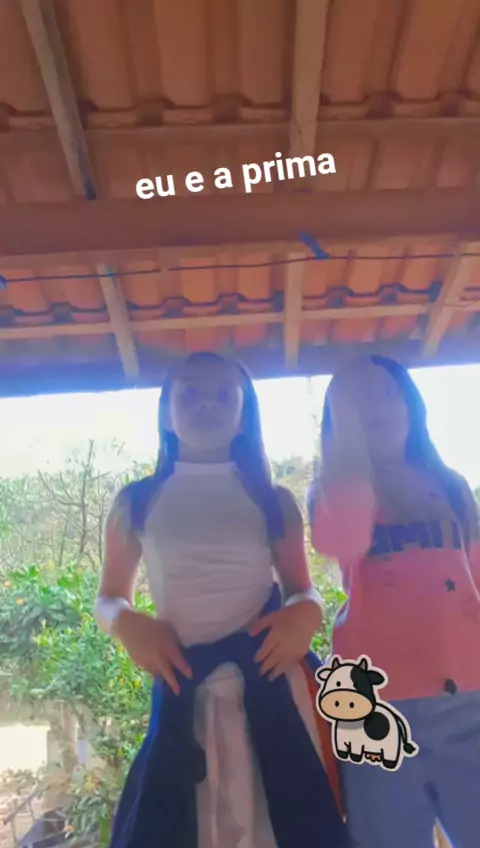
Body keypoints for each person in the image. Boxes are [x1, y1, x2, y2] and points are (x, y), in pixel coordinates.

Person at [95, 351, 349, 848]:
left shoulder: (273, 500)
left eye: (222, 393)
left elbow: (301, 587)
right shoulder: (136, 502)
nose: (206, 403)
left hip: (273, 686)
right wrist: (128, 624)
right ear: (166, 414)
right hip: (186, 691)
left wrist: (308, 611)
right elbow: (108, 598)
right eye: (189, 392)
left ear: (243, 413)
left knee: (286, 827)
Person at [308, 354, 480, 848]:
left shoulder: (450, 485)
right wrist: (351, 456)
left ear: (411, 404)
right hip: (374, 708)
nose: (377, 408)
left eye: (387, 393)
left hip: (468, 698)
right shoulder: (331, 491)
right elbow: (344, 537)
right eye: (356, 401)